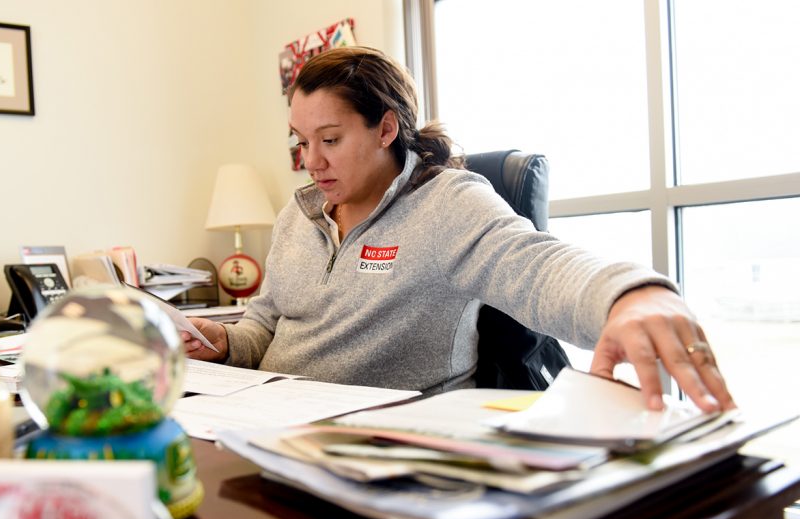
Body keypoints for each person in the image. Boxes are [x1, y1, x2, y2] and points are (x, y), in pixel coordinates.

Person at [183, 46, 734, 414]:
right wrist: (222, 341)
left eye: (329, 140)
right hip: (262, 426)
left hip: (374, 448)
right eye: (301, 142)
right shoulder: (298, 215)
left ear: (386, 129)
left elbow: (537, 267)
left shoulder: (446, 204)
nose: (311, 162)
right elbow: (265, 323)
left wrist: (631, 295)